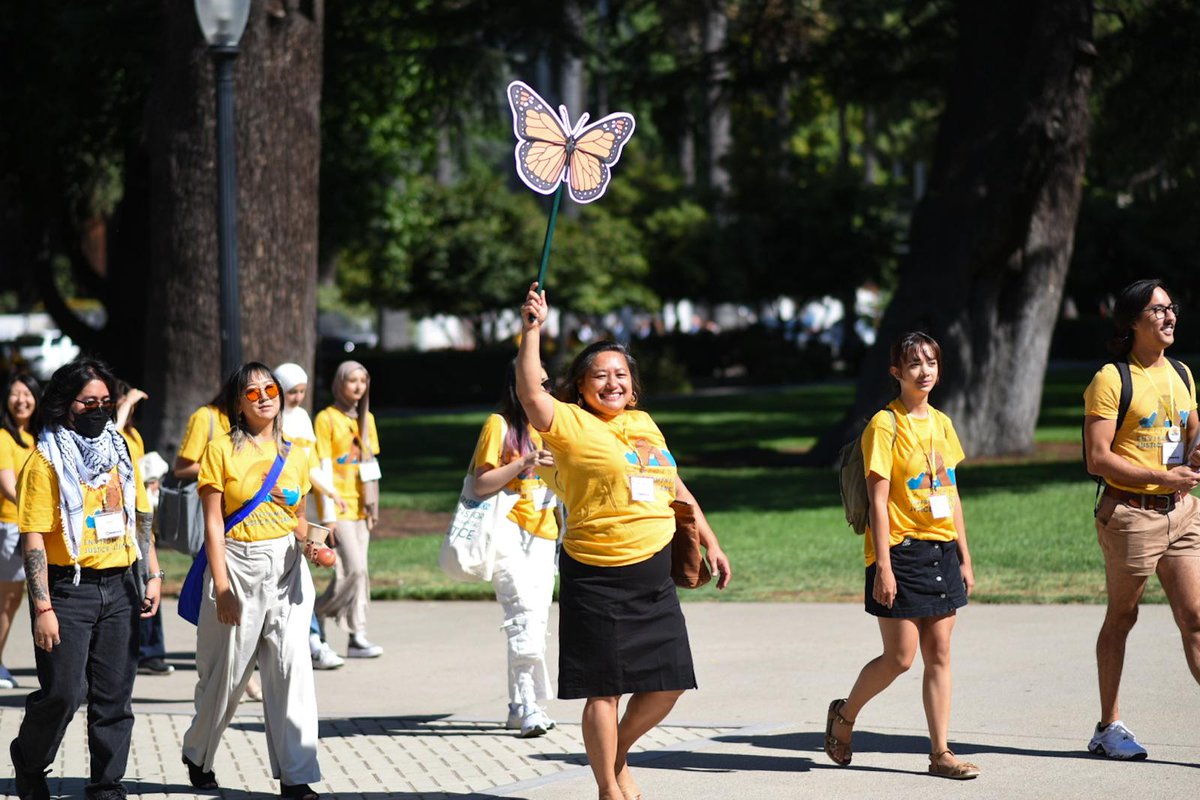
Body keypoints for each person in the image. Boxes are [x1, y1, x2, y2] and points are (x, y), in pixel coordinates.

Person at [516, 284, 732, 800]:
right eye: (600, 375)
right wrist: (532, 329)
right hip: (596, 574)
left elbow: (674, 487)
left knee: (670, 682)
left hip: (654, 574)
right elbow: (529, 392)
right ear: (581, 386)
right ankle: (608, 788)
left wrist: (710, 539)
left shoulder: (644, 424)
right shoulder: (569, 423)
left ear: (632, 388)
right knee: (604, 692)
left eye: (621, 375)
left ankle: (616, 754)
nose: (612, 383)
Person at [824, 331, 979, 780]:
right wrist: (884, 568)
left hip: (941, 547)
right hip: (900, 550)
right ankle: (845, 715)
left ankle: (941, 753)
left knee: (941, 653)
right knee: (901, 657)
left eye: (931, 362)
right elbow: (877, 501)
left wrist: (965, 557)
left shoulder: (943, 424)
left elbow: (951, 493)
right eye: (914, 364)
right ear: (897, 372)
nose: (925, 371)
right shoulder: (884, 425)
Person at [10, 359, 162, 800]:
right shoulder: (44, 462)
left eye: (105, 402)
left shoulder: (121, 449)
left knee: (115, 697)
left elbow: (138, 515)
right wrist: (43, 609)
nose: (98, 410)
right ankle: (30, 762)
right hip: (67, 591)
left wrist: (151, 572)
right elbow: (34, 539)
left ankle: (106, 785)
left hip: (120, 587)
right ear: (64, 404)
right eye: (87, 402)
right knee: (62, 694)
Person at [180, 362, 323, 800]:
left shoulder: (297, 452)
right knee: (226, 678)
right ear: (239, 404)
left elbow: (296, 520)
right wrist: (222, 587)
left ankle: (296, 778)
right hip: (236, 566)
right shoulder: (220, 449)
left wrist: (316, 545)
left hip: (287, 569)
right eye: (252, 392)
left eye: (270, 388)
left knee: (291, 670)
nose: (264, 396)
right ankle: (198, 752)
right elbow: (213, 526)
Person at [1082, 279, 1200, 760]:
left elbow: (1192, 432)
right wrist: (1163, 477)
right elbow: (1097, 458)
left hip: (1182, 514)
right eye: (1158, 310)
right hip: (1130, 514)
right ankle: (1108, 727)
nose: (1169, 317)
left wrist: (1195, 456)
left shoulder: (1182, 373)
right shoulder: (1111, 378)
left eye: (1172, 308)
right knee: (1123, 617)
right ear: (1132, 322)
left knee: (1195, 619)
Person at [470, 360, 560, 738]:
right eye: (534, 383)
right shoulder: (499, 425)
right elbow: (480, 484)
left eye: (546, 383)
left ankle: (517, 705)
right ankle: (529, 705)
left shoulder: (553, 424)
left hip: (544, 531)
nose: (542, 390)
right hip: (505, 528)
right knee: (522, 612)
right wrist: (524, 462)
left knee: (534, 619)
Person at [275, 361, 346, 671]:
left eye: (302, 391)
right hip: (278, 510)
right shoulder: (272, 422)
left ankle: (314, 642)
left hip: (304, 508)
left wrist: (330, 492)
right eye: (292, 391)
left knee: (302, 579)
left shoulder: (303, 419)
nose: (298, 397)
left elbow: (311, 466)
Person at [313, 361, 382, 658]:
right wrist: (327, 515)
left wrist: (373, 507)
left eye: (363, 382)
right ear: (339, 383)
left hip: (360, 509)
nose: (358, 387)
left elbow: (371, 466)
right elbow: (323, 466)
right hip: (338, 507)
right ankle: (314, 614)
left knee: (361, 573)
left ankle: (356, 636)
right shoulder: (326, 418)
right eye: (352, 381)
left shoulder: (367, 419)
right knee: (352, 571)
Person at [114, 381, 174, 678]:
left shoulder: (134, 434)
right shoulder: (108, 434)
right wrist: (127, 401)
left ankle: (151, 651)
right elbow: (110, 435)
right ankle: (135, 651)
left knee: (150, 582)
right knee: (131, 588)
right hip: (117, 524)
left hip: (141, 519)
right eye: (124, 399)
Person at [0, 373, 40, 689]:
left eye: (27, 393)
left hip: (35, 527)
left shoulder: (38, 437)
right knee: (7, 599)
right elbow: (8, 484)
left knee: (18, 600)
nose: (21, 399)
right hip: (11, 526)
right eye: (15, 394)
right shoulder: (3, 436)